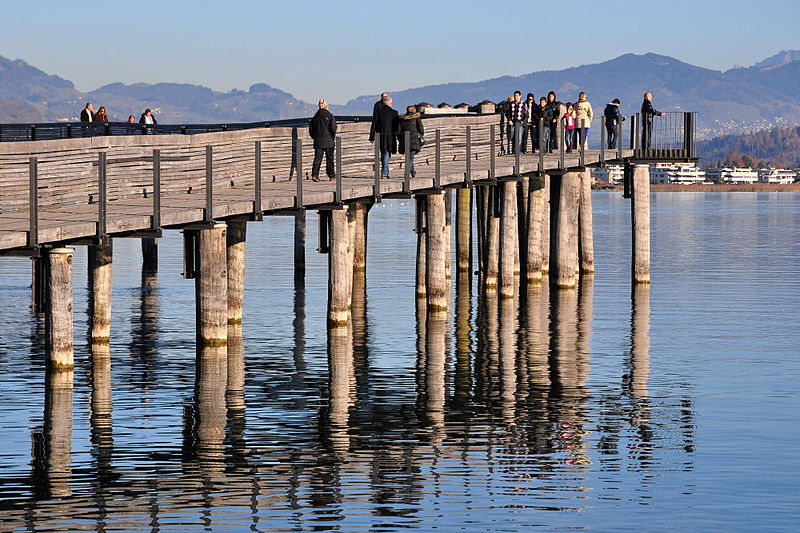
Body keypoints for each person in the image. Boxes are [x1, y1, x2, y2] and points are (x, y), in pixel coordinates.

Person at [308, 99, 337, 182]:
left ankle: (314, 175)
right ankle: (331, 176)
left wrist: (315, 137)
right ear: (326, 106)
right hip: (328, 141)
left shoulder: (315, 117)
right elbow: (333, 128)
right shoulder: (330, 115)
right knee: (330, 159)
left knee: (317, 159)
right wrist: (332, 137)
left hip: (318, 141)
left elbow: (311, 131)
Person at [373, 96, 399, 177]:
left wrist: (371, 135)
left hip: (380, 135)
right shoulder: (394, 113)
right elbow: (396, 126)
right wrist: (398, 134)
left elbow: (374, 124)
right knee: (387, 153)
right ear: (390, 103)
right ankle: (384, 172)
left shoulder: (378, 112)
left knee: (384, 153)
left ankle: (385, 171)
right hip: (390, 136)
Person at [398, 105, 424, 178]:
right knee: (411, 157)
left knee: (408, 157)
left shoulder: (401, 119)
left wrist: (400, 139)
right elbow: (421, 129)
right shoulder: (416, 118)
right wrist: (420, 135)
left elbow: (399, 131)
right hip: (414, 140)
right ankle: (407, 173)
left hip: (404, 140)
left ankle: (412, 172)